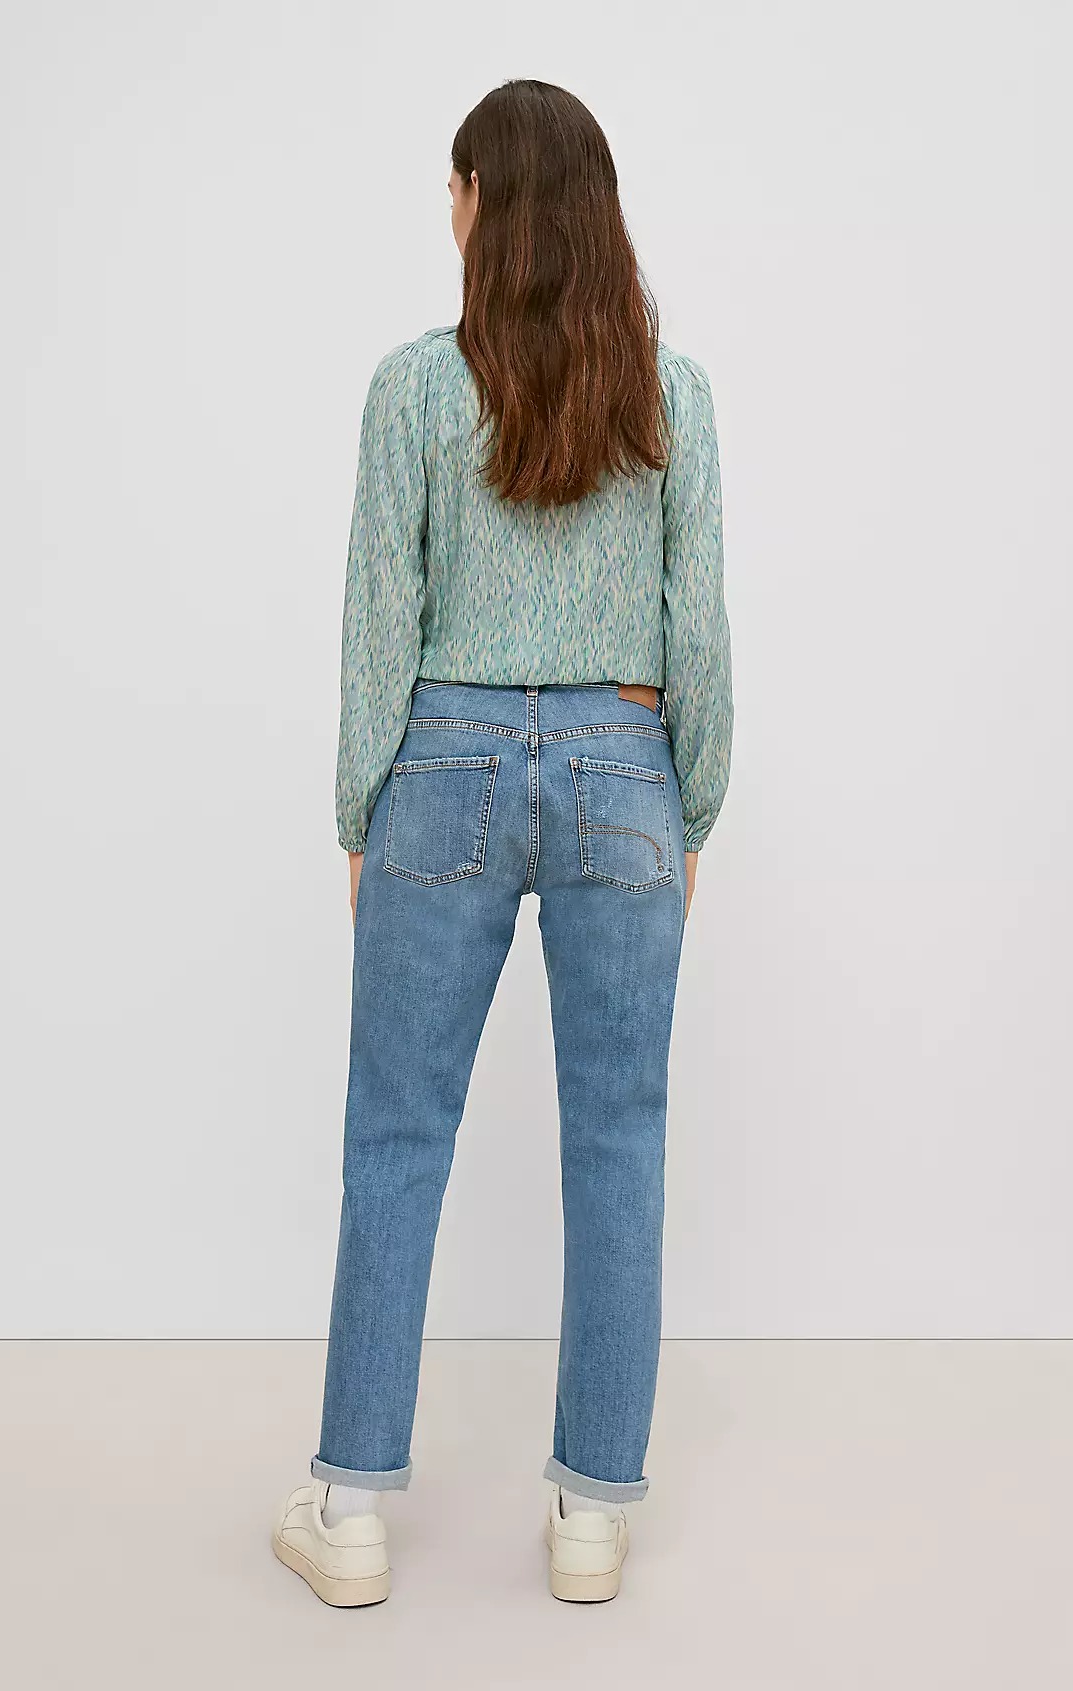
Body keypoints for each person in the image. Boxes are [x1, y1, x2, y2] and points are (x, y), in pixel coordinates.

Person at [273, 78, 732, 1607]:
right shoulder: (669, 394)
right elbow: (697, 625)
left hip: (445, 765)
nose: (449, 212)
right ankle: (594, 1513)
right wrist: (691, 803)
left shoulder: (413, 389)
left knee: (395, 1135)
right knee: (622, 1141)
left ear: (483, 203)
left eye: (454, 188)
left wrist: (362, 807)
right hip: (621, 768)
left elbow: (378, 619)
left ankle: (348, 1511)